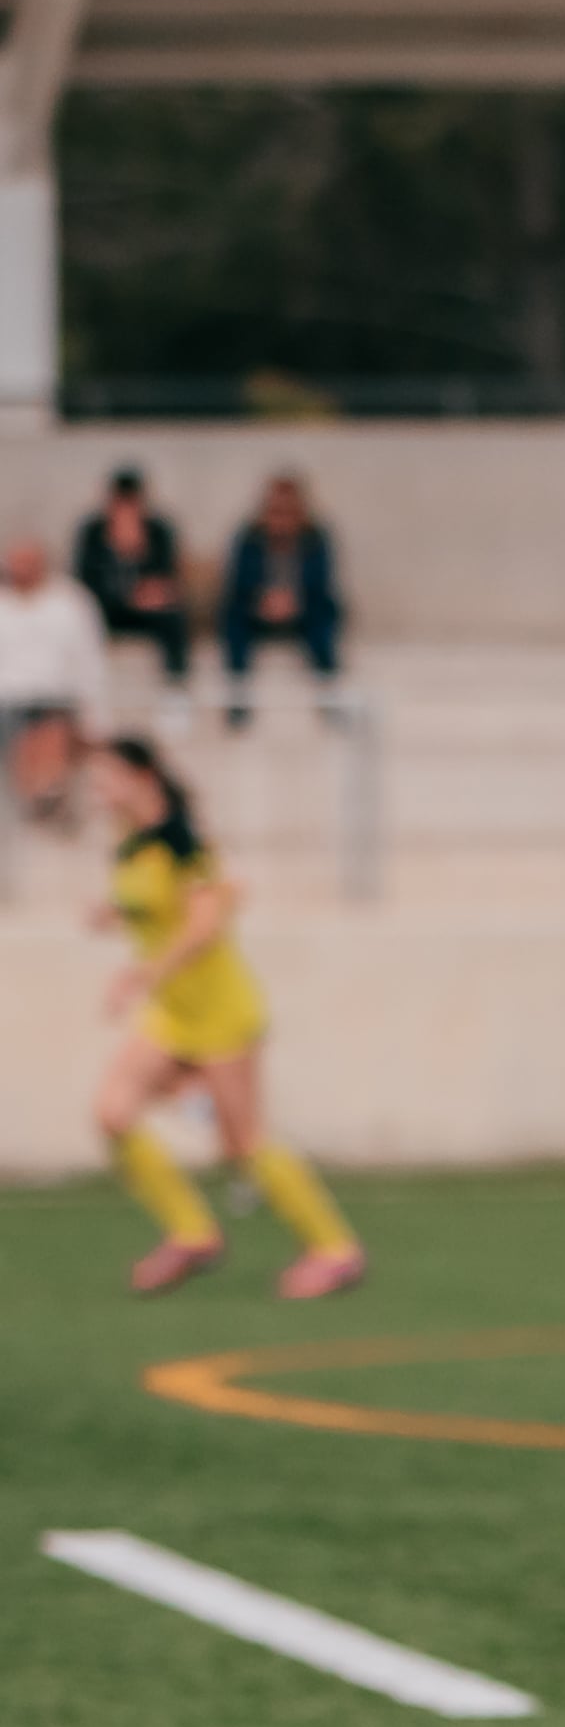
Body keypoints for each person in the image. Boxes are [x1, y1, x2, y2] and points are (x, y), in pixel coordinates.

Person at [89, 736, 361, 1304]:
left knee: (245, 1144)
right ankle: (193, 1234)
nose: (99, 788)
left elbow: (204, 927)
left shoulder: (186, 844)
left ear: (143, 778)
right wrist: (113, 913)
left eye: (109, 776)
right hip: (174, 1016)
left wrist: (141, 975)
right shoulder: (130, 843)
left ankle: (334, 1250)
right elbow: (152, 902)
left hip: (220, 1014)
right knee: (112, 1113)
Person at [218, 475, 339, 721]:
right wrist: (262, 601)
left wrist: (295, 602)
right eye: (276, 511)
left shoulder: (315, 539)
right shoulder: (250, 538)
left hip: (303, 611)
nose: (281, 518)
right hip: (258, 611)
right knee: (233, 618)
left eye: (288, 511)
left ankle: (328, 693)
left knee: (324, 618)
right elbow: (238, 582)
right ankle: (238, 696)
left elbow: (321, 583)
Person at [0, 534, 105, 812]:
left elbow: (89, 660)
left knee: (51, 726)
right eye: (15, 563)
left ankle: (44, 793)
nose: (21, 570)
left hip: (57, 699)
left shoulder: (71, 602)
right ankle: (36, 795)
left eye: (28, 562)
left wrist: (95, 717)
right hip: (8, 702)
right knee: (20, 727)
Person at [77, 468, 186, 694]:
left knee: (174, 619)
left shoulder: (158, 531)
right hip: (106, 607)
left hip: (146, 609)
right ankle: (87, 687)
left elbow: (166, 577)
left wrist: (138, 553)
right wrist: (116, 552)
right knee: (81, 618)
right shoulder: (93, 532)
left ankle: (175, 688)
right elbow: (86, 581)